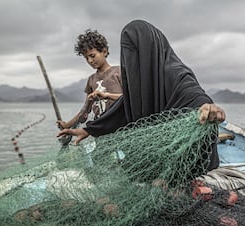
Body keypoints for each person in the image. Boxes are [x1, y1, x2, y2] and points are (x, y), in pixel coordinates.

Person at [58, 20, 226, 170]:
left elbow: (193, 94)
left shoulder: (175, 72)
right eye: (127, 54)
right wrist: (89, 130)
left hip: (182, 157)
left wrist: (207, 106)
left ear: (149, 48)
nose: (131, 59)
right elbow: (124, 106)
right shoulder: (140, 79)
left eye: (135, 52)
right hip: (157, 153)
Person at [57, 29, 122, 129]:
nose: (90, 61)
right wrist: (67, 125)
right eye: (86, 58)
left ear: (104, 51)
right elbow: (85, 112)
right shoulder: (91, 80)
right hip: (100, 131)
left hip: (120, 128)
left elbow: (130, 99)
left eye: (92, 56)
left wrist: (107, 95)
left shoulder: (119, 72)